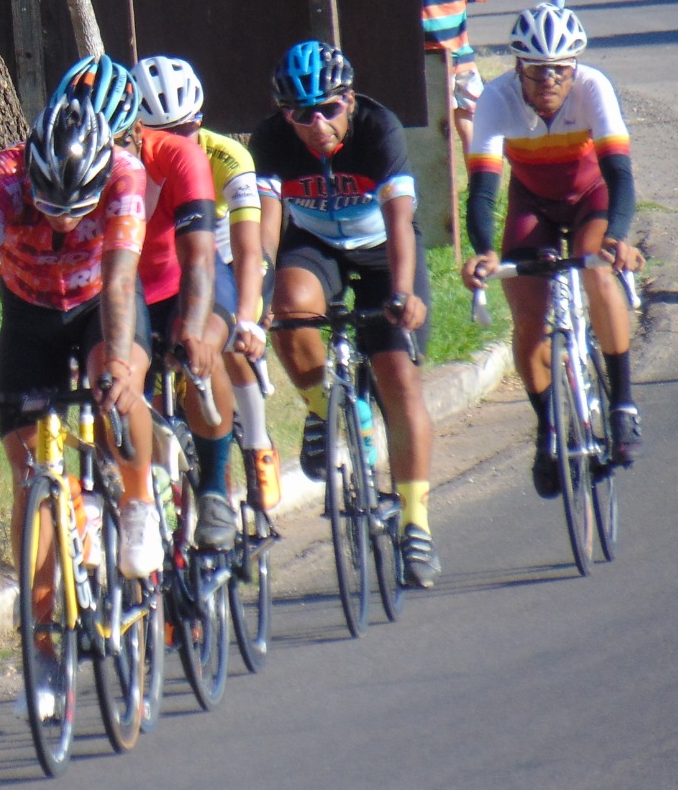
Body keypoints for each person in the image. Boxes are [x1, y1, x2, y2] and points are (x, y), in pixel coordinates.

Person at [0, 95, 161, 717]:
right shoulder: (2, 182)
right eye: (51, 206)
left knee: (115, 377)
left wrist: (116, 363)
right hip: (31, 313)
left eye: (76, 208)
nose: (62, 221)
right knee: (28, 473)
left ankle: (138, 499)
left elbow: (118, 280)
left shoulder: (125, 174)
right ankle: (41, 644)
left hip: (97, 303)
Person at [250, 42, 439, 590]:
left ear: (349, 101)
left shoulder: (379, 129)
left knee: (399, 378)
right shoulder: (269, 140)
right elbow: (266, 224)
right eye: (300, 114)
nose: (315, 124)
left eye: (327, 109)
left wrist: (403, 293)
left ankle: (415, 521)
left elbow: (401, 221)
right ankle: (324, 408)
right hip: (314, 246)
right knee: (289, 310)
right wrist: (255, 295)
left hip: (383, 250)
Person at [460, 4, 644, 501]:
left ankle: (622, 405)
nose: (549, 80)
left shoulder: (593, 87)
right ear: (517, 67)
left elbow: (620, 175)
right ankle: (547, 431)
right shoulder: (496, 100)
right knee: (527, 317)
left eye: (560, 68)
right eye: (537, 69)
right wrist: (481, 250)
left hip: (591, 197)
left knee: (597, 271)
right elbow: (481, 190)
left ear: (574, 67)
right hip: (533, 202)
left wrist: (619, 236)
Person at [78, 55, 232, 550]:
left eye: (120, 138)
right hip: (123, 289)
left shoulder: (179, 156)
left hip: (181, 276)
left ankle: (213, 490)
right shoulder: (81, 157)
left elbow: (201, 260)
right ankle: (132, 491)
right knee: (119, 378)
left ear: (136, 129)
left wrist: (191, 325)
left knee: (203, 345)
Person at [130, 55, 282, 516]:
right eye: (162, 134)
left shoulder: (227, 157)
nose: (179, 144)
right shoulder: (131, 161)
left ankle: (256, 442)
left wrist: (250, 319)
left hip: (221, 245)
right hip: (159, 264)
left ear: (201, 119)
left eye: (186, 130)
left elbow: (250, 249)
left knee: (229, 340)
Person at [418, 0, 564, 151]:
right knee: (466, 121)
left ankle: (447, 180)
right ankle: (474, 176)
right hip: (464, 64)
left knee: (440, 125)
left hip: (435, 65)